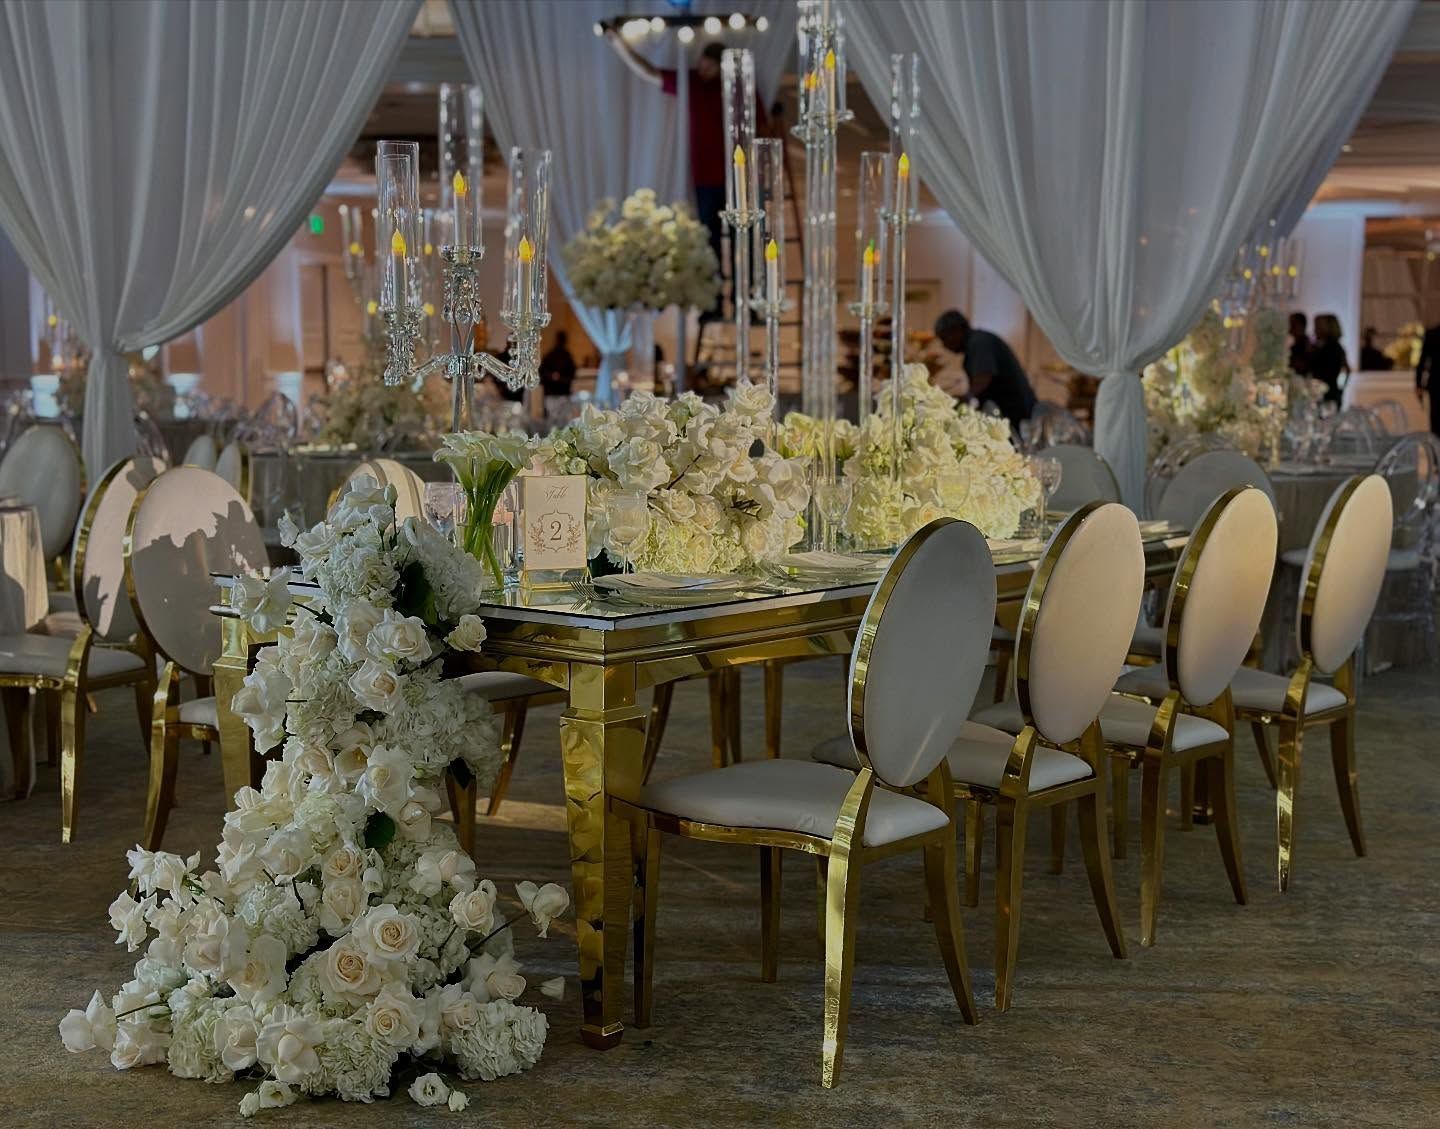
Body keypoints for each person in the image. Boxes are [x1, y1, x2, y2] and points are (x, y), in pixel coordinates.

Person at [605, 34, 728, 278]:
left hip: (736, 176)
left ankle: (742, 293)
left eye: (710, 67)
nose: (704, 70)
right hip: (705, 176)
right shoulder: (692, 82)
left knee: (744, 236)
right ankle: (715, 293)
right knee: (710, 237)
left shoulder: (736, 87)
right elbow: (648, 71)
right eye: (703, 64)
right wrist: (619, 44)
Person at [933, 309, 1036, 426]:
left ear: (957, 330)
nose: (944, 345)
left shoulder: (979, 343)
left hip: (1016, 415)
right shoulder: (976, 342)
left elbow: (983, 378)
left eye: (944, 338)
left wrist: (965, 398)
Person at [1309, 313, 1350, 405]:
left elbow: (1344, 371)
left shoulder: (1332, 348)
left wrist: (1338, 389)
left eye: (1318, 326)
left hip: (1328, 396)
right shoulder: (1325, 346)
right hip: (1328, 394)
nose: (1315, 330)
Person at [539, 330, 577, 396]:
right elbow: (542, 372)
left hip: (560, 392)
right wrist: (553, 376)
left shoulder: (566, 356)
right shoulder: (551, 355)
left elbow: (572, 373)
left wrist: (558, 377)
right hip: (552, 392)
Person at [1418, 322, 1440, 437]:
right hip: (1435, 384)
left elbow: (1422, 361)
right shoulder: (1431, 334)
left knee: (1436, 418)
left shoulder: (1432, 334)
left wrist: (1418, 384)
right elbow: (1422, 361)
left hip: (1435, 383)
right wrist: (1419, 384)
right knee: (1435, 418)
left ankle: (1436, 444)